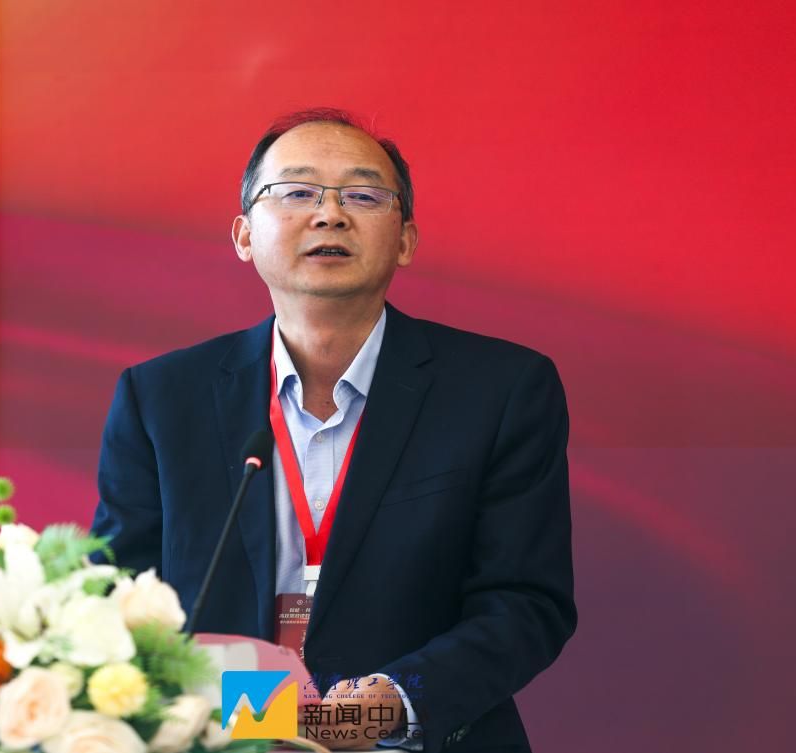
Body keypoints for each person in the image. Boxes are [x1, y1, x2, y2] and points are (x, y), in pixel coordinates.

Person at [90, 108, 576, 753]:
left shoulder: (501, 389)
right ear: (244, 235)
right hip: (221, 737)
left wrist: (392, 704)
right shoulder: (161, 396)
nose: (329, 215)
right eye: (296, 192)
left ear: (405, 239)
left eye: (364, 196)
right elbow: (117, 593)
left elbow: (526, 601)